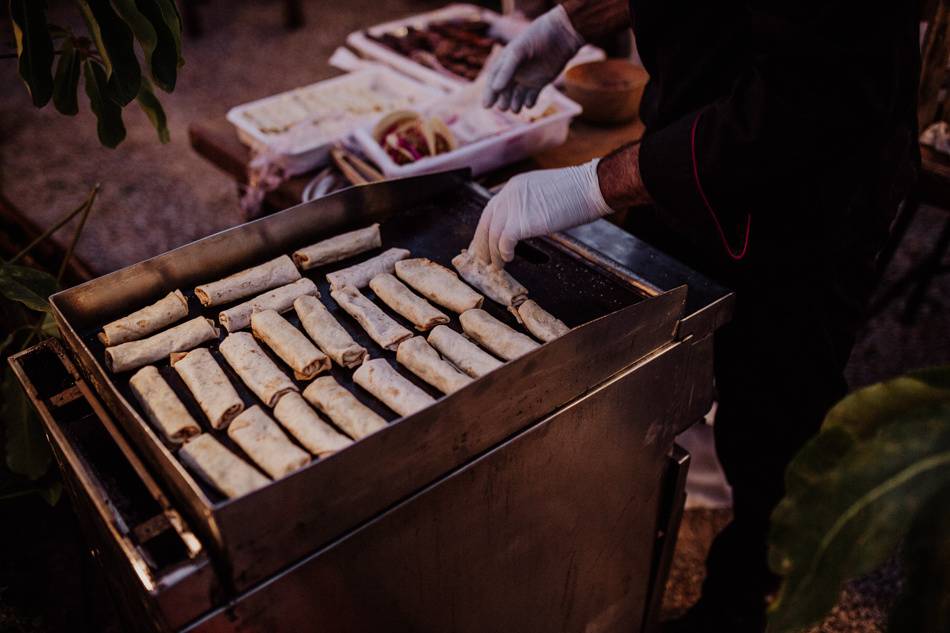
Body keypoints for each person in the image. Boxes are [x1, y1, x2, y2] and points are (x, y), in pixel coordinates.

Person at [472, 1, 920, 631]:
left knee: (777, 421)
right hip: (687, 136)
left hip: (805, 195)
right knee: (640, 372)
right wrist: (574, 21)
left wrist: (593, 184)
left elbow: (810, 102)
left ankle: (749, 602)